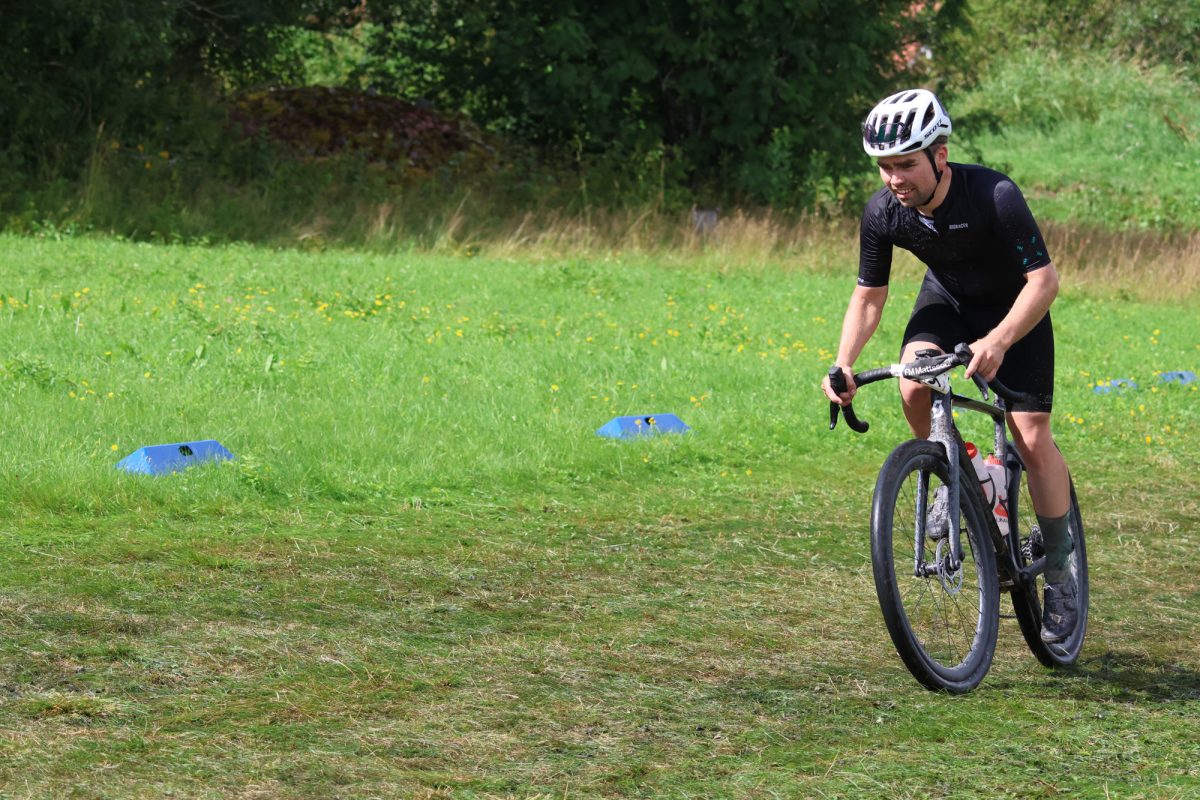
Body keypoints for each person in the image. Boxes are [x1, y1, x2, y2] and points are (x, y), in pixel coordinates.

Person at [821, 88, 1077, 643]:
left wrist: (1000, 340)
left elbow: (1044, 282)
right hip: (949, 301)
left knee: (1032, 437)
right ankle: (956, 469)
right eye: (885, 166)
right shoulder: (884, 212)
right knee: (913, 383)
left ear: (940, 155)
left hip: (1015, 309)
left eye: (906, 164)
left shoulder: (994, 195)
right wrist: (843, 365)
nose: (895, 178)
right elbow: (869, 297)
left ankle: (1061, 571)